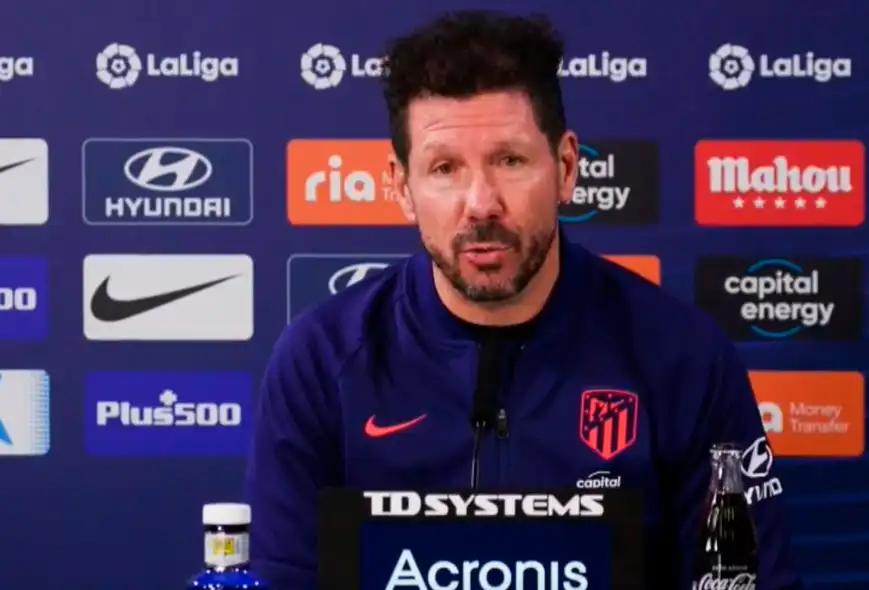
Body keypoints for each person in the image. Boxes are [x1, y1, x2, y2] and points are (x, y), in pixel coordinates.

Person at [246, 10, 803, 590]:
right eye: (444, 169)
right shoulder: (322, 360)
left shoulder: (683, 358)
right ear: (401, 189)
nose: (481, 203)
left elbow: (748, 582)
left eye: (510, 161)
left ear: (565, 168)